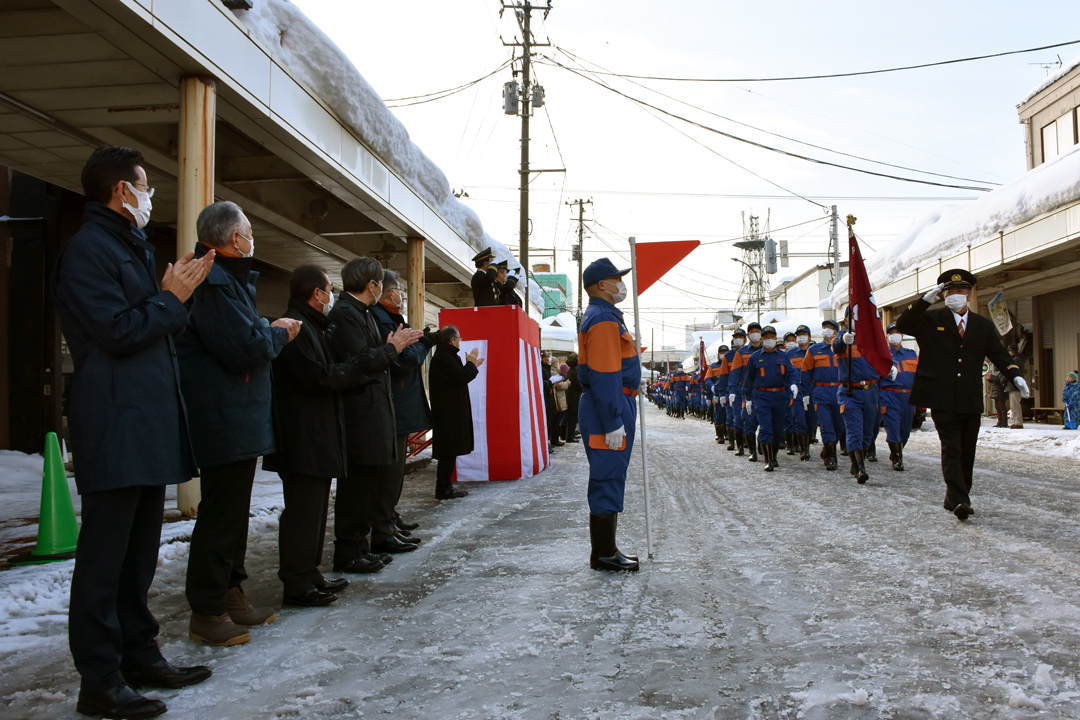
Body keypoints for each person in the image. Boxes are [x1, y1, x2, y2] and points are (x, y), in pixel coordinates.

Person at [54, 146, 214, 719]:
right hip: (115, 422)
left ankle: (139, 655)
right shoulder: (89, 250)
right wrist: (171, 298)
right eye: (144, 185)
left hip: (144, 424)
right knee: (104, 560)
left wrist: (170, 296)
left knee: (138, 554)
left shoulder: (127, 246)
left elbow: (147, 325)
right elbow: (118, 332)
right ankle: (98, 679)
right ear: (123, 190)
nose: (149, 196)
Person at [178, 201, 299, 645]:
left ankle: (230, 592)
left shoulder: (228, 280)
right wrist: (278, 332)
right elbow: (244, 348)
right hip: (224, 416)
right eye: (249, 231)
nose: (252, 239)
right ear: (234, 238)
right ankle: (207, 608)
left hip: (238, 416)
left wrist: (265, 331)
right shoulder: (213, 281)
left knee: (232, 514)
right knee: (220, 515)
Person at [263, 265, 373, 609]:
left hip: (315, 436)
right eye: (328, 290)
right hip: (302, 438)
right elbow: (317, 378)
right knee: (302, 512)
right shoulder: (294, 327)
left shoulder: (310, 325)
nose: (330, 297)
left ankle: (309, 573)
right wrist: (354, 369)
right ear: (316, 294)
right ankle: (296, 582)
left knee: (315, 511)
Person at [895, 269, 1026, 521]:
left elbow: (998, 354)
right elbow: (903, 325)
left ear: (969, 293)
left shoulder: (982, 325)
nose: (955, 295)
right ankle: (961, 500)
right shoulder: (931, 319)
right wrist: (923, 302)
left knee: (967, 451)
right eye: (949, 291)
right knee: (952, 448)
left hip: (969, 397)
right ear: (943, 295)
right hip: (941, 396)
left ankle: (954, 495)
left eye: (960, 291)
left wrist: (1015, 375)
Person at [327, 257, 424, 566]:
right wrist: (393, 348)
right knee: (357, 487)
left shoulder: (362, 313)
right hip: (360, 413)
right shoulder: (345, 314)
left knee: (370, 484)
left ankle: (361, 546)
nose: (387, 290)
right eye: (383, 284)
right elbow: (363, 359)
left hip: (375, 409)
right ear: (372, 285)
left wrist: (392, 348)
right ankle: (350, 550)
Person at [578, 258, 641, 572]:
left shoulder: (607, 316)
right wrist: (613, 419)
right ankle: (603, 553)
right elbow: (604, 374)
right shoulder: (603, 319)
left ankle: (606, 549)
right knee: (607, 475)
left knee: (611, 472)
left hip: (613, 403)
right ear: (602, 284)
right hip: (609, 406)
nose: (622, 284)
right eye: (617, 278)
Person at [371, 269, 438, 525]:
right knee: (389, 473)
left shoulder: (392, 319)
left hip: (400, 403)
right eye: (399, 290)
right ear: (389, 292)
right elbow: (405, 359)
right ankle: (383, 522)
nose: (402, 295)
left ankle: (389, 517)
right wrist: (424, 344)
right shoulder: (381, 320)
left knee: (394, 473)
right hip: (394, 403)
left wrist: (421, 341)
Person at [832, 317, 892, 484]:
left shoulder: (872, 339)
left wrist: (889, 366)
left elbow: (883, 357)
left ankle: (858, 462)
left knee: (868, 433)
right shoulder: (843, 337)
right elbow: (836, 346)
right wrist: (844, 339)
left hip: (871, 391)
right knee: (854, 431)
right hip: (850, 392)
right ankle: (859, 469)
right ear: (846, 319)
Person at [429, 325, 484, 498]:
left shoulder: (446, 355)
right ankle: (443, 488)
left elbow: (460, 375)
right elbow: (461, 378)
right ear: (452, 340)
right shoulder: (444, 357)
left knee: (450, 451)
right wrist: (470, 363)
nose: (460, 341)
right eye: (459, 338)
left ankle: (445, 486)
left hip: (450, 411)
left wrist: (471, 364)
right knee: (448, 451)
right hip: (448, 413)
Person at [743, 326, 799, 471]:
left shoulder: (783, 356)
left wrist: (793, 384)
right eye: (766, 337)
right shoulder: (755, 357)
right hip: (762, 397)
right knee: (766, 427)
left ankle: (774, 457)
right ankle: (768, 460)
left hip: (780, 396)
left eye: (772, 337)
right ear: (762, 339)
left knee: (778, 429)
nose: (769, 340)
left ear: (776, 338)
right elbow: (748, 380)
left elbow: (792, 372)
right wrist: (748, 398)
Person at [801, 319, 845, 471]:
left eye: (831, 328)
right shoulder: (814, 350)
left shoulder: (844, 349)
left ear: (837, 331)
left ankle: (828, 449)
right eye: (825, 327)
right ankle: (831, 457)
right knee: (826, 424)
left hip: (840, 390)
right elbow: (806, 373)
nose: (827, 330)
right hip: (821, 391)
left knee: (840, 425)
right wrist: (806, 393)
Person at [880, 323, 918, 470]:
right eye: (891, 333)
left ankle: (897, 450)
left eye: (897, 332)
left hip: (908, 397)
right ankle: (897, 458)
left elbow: (917, 377)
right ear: (887, 336)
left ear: (902, 335)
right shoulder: (882, 355)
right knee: (893, 427)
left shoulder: (911, 354)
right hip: (890, 395)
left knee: (906, 430)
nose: (894, 335)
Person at [728, 322, 764, 461]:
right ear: (748, 335)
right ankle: (749, 450)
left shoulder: (766, 351)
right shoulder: (741, 353)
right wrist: (732, 390)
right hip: (746, 391)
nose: (755, 333)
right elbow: (734, 373)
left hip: (763, 391)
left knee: (764, 420)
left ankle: (762, 444)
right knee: (745, 420)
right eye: (752, 331)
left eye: (757, 331)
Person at [722, 330, 745, 452]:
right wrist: (722, 393)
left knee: (750, 417)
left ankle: (748, 442)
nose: (738, 340)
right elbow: (724, 376)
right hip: (733, 389)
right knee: (734, 417)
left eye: (740, 337)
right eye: (736, 338)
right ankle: (735, 444)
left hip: (748, 388)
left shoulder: (750, 353)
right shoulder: (728, 356)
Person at [1006, 345, 1027, 428]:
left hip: (1014, 385)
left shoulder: (1016, 360)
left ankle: (1018, 422)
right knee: (1014, 405)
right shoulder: (1018, 359)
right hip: (1015, 384)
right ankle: (1016, 421)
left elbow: (1010, 371)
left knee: (1015, 405)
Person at [564, 354, 582, 442]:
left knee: (572, 417)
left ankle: (571, 435)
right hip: (574, 398)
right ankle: (570, 436)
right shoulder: (574, 372)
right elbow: (579, 385)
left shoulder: (570, 371)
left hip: (571, 397)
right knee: (572, 418)